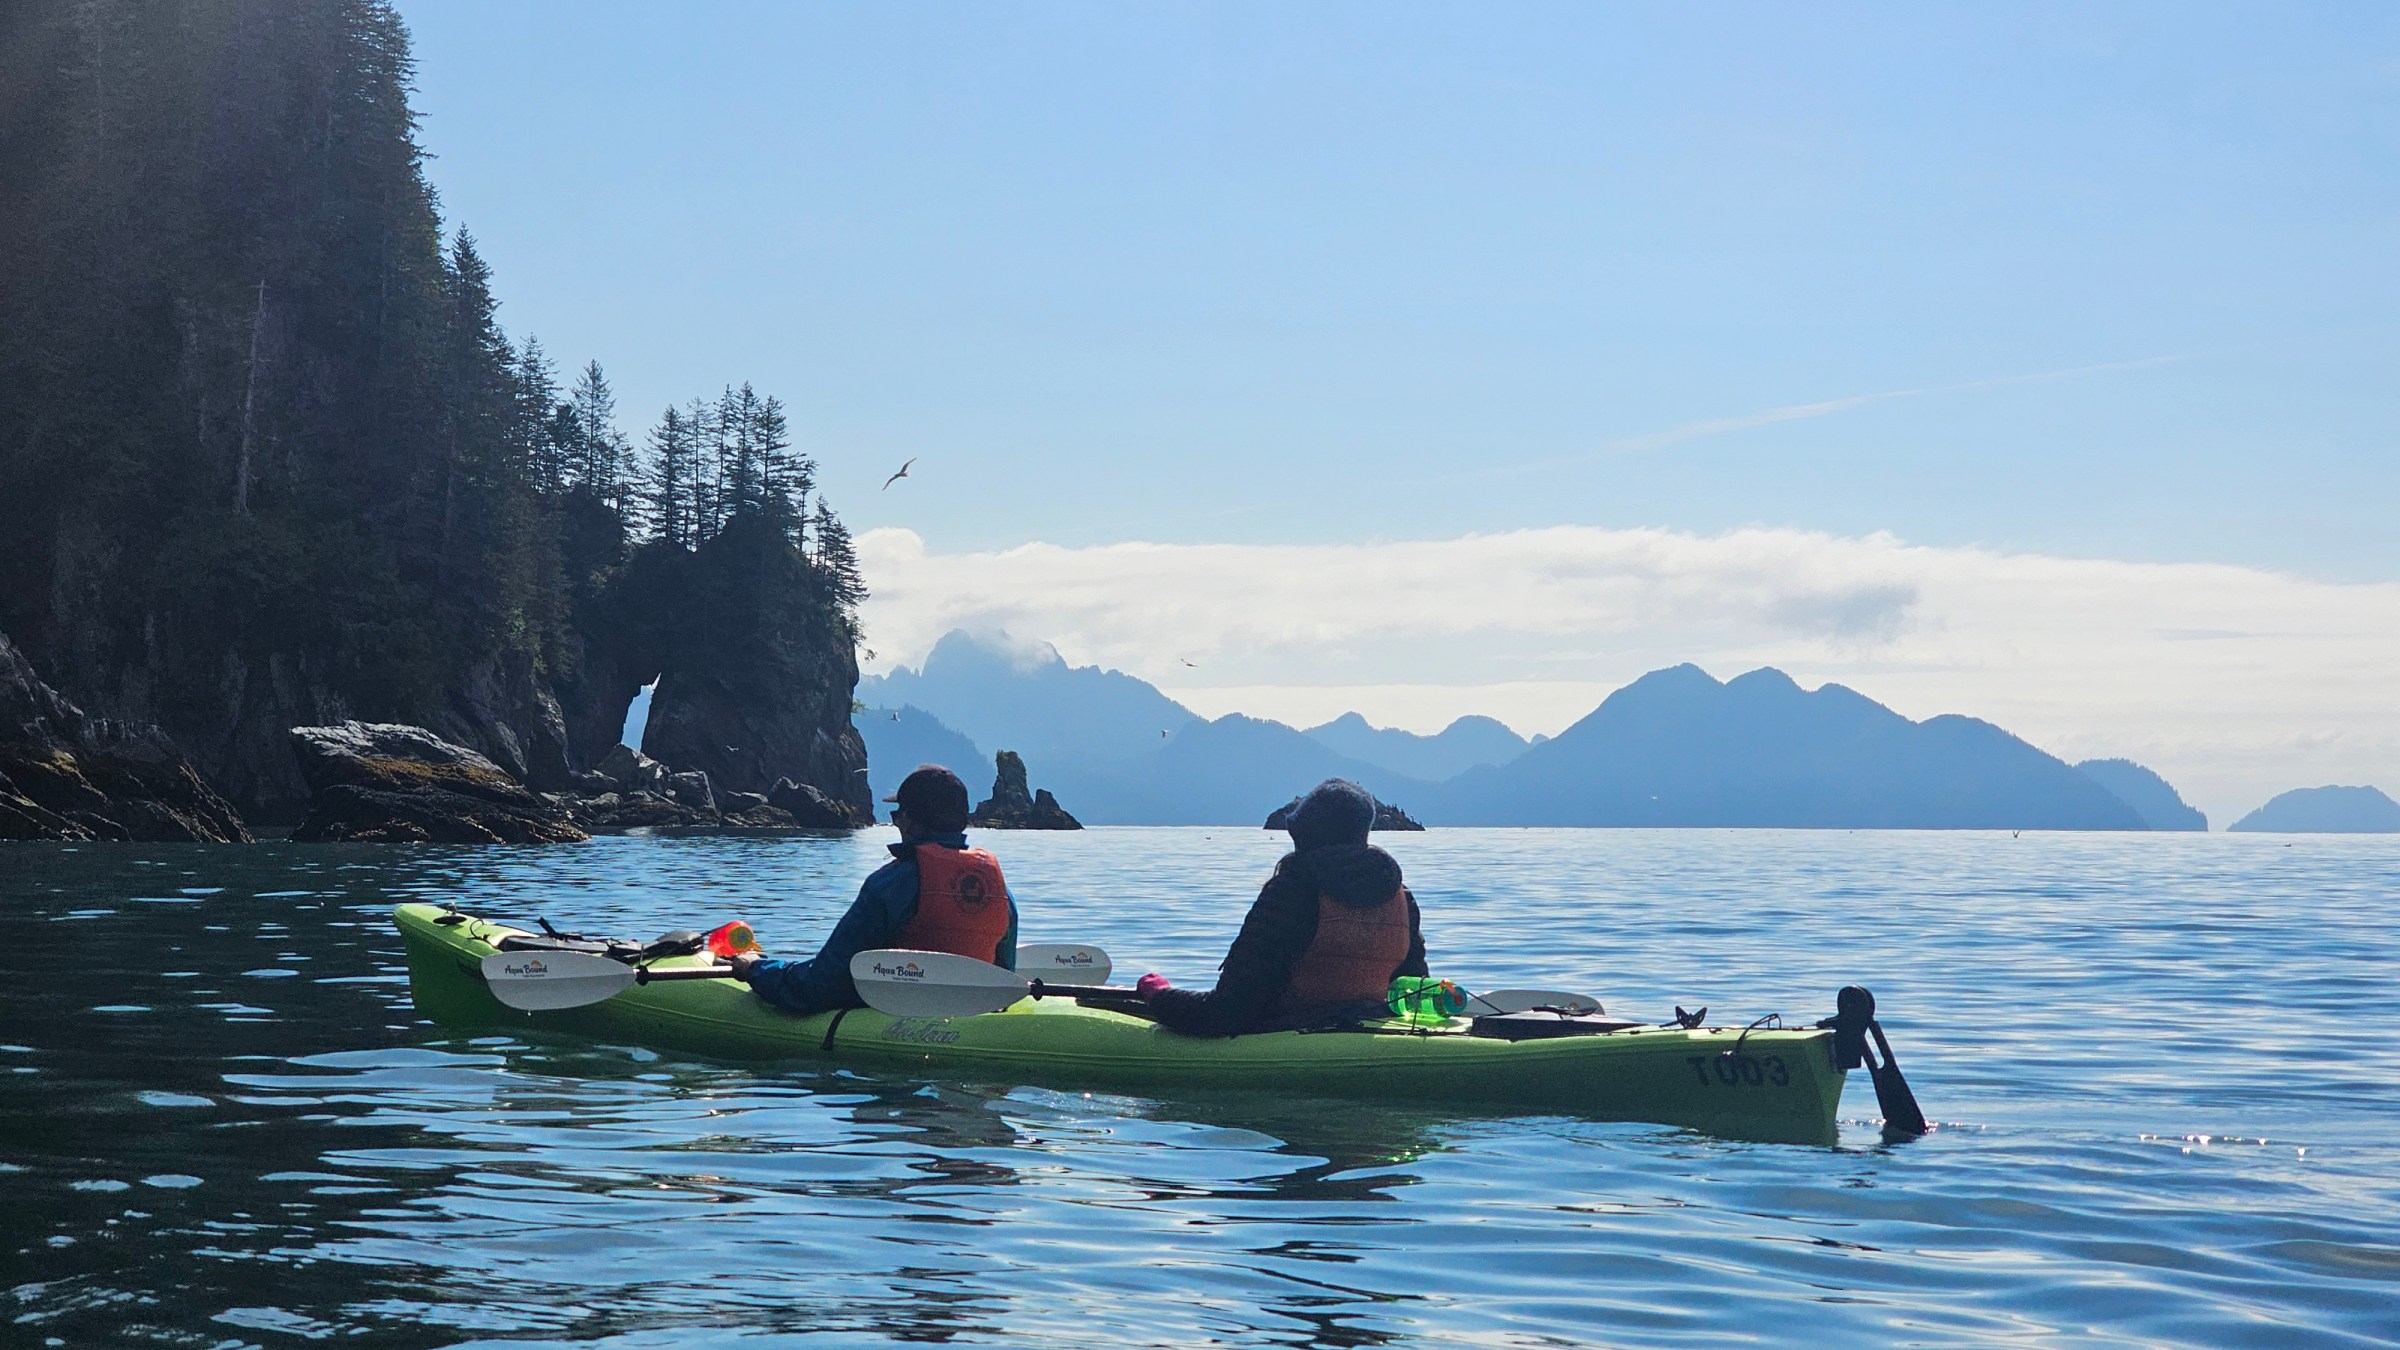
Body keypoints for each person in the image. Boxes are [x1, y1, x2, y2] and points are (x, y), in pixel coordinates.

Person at [1139, 778, 1428, 1037]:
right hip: (1371, 1032)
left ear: (1301, 834)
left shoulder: (1291, 895)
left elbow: (1225, 1014)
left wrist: (1159, 994)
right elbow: (1414, 996)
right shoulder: (1402, 899)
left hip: (1290, 1036)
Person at [729, 764, 1017, 1014]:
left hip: (897, 1014)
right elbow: (1005, 975)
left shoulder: (888, 885)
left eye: (896, 816)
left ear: (908, 820)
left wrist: (757, 969)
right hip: (977, 1014)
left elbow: (817, 987)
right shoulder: (998, 888)